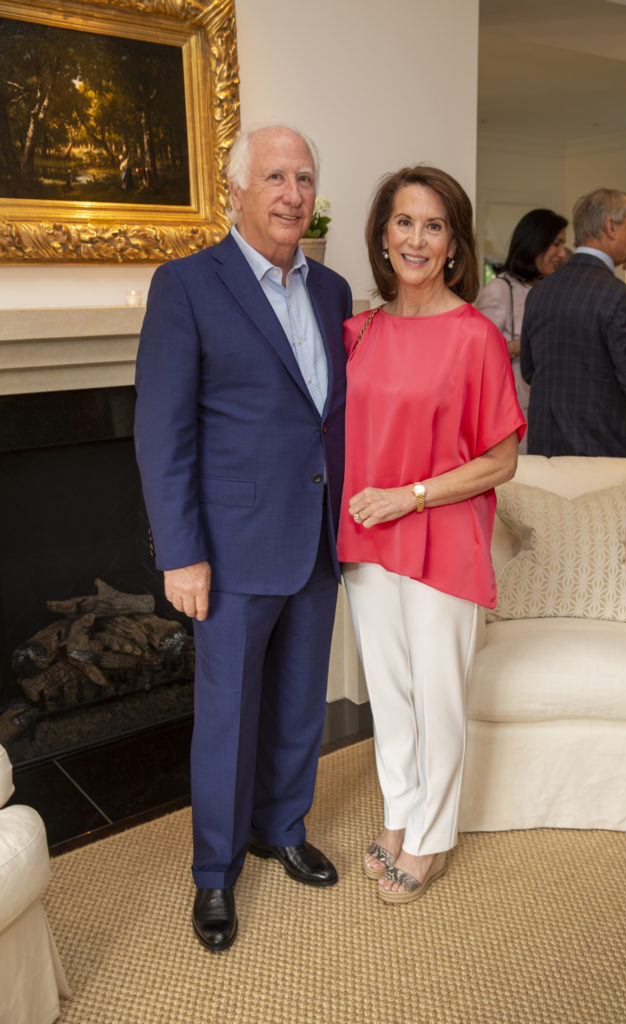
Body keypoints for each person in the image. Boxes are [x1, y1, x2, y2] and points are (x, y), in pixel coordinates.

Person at [134, 124, 352, 952]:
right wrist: (179, 553)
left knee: (299, 701)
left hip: (316, 538)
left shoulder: (331, 292)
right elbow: (163, 432)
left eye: (303, 176)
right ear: (236, 191)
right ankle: (215, 874)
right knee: (227, 716)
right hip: (225, 549)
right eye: (273, 176)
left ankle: (281, 829)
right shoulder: (187, 284)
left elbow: (326, 418)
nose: (291, 193)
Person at [337, 166, 525, 904]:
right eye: (403, 222)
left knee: (437, 693)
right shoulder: (359, 329)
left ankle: (432, 836)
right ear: (383, 236)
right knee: (389, 694)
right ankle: (397, 818)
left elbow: (501, 458)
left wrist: (408, 496)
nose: (416, 238)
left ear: (453, 245)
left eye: (433, 225)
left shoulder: (474, 336)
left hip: (439, 534)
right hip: (366, 537)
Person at [520, 188, 626, 461]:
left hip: (548, 452)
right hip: (606, 456)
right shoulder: (622, 298)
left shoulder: (540, 292)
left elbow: (530, 371)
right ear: (610, 227)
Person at [476, 208, 567, 446]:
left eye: (563, 245)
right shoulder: (500, 289)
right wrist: (523, 345)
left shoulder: (551, 290)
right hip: (516, 413)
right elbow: (479, 358)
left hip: (552, 410)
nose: (562, 253)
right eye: (556, 244)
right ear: (535, 243)